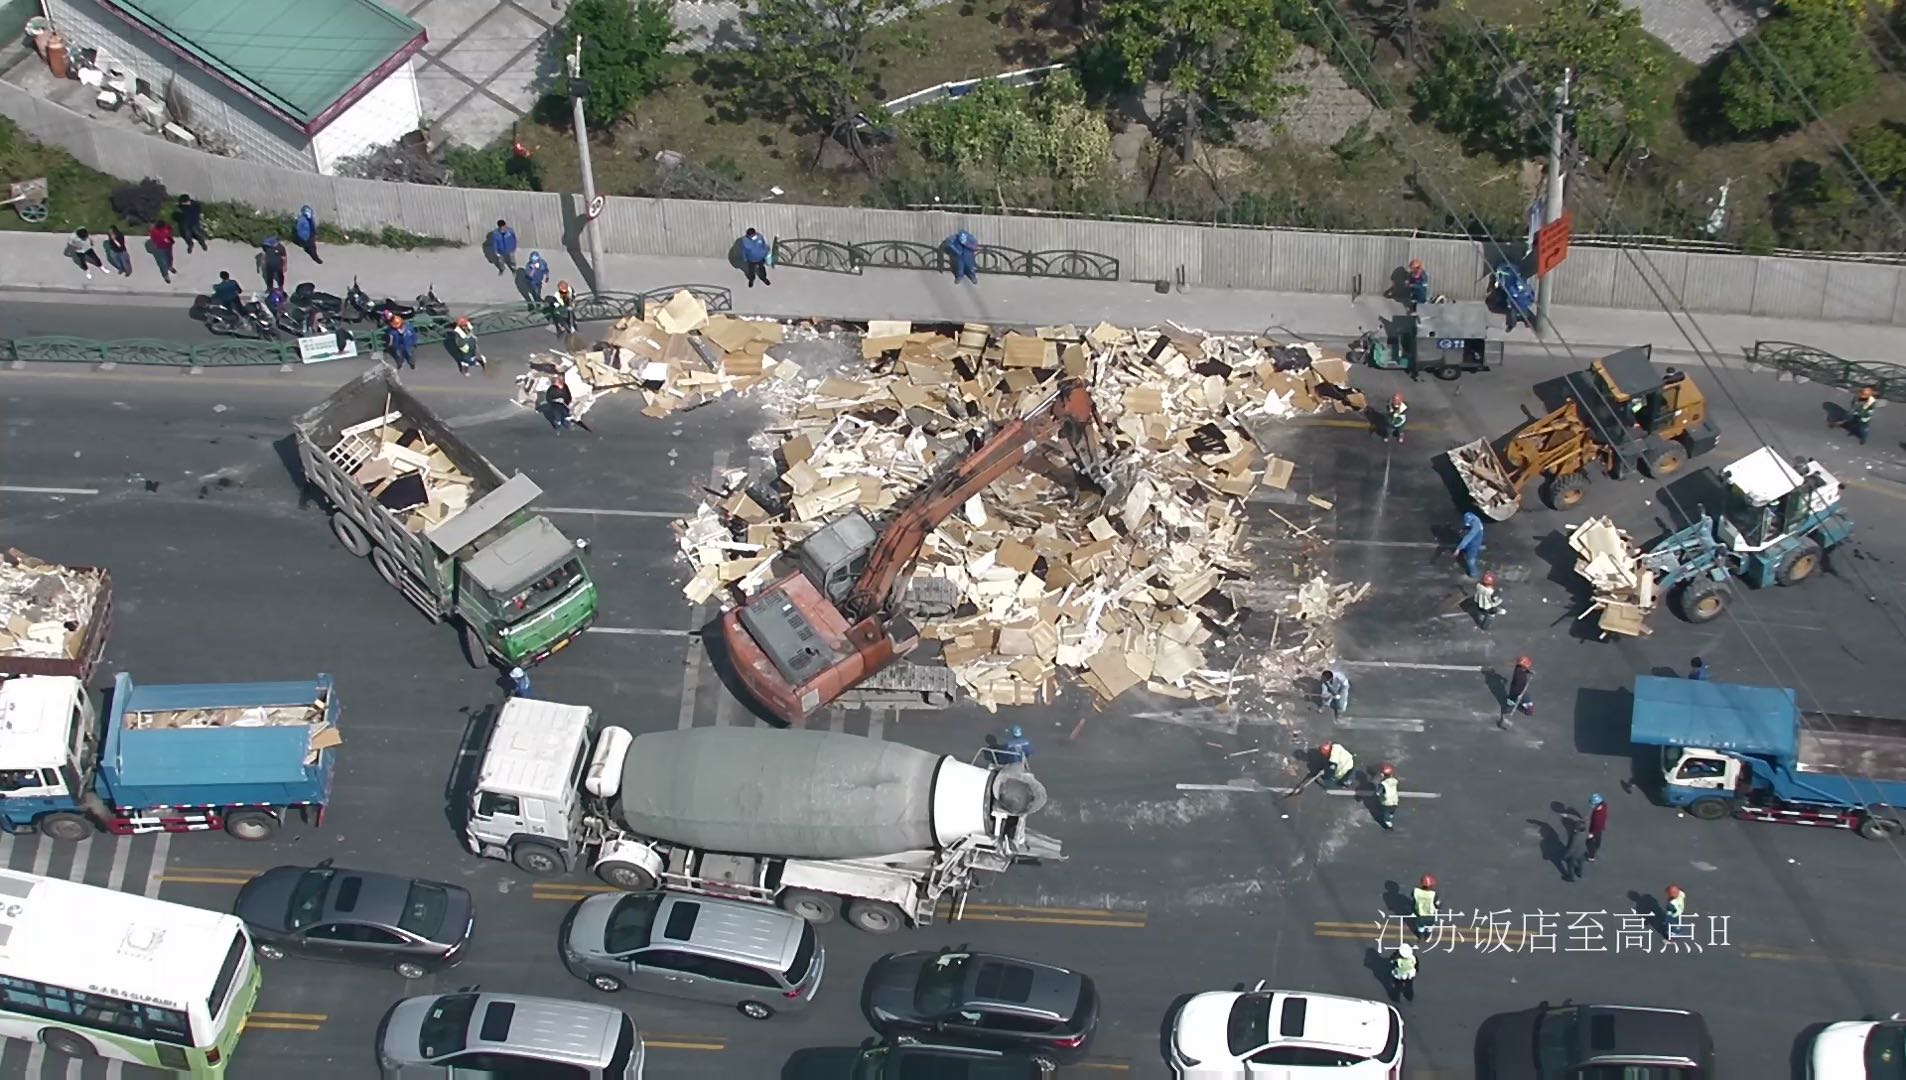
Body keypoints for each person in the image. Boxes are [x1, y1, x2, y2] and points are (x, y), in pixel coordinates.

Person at [1501, 655, 1534, 727]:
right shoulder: (1519, 674)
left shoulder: (1519, 668)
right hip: (1520, 692)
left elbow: (1524, 670)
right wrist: (1520, 695)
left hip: (1515, 691)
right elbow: (1518, 685)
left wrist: (1529, 672)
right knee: (1529, 711)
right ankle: (1517, 707)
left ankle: (1512, 707)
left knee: (1510, 704)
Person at [1455, 511, 1485, 578]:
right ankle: (1467, 552)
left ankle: (1473, 573)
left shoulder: (1475, 528)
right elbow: (1468, 525)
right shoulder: (1475, 519)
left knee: (1470, 559)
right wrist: (1463, 528)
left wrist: (1458, 548)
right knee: (1467, 551)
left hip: (1474, 543)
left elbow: (1468, 537)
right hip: (1474, 540)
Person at [1561, 816, 1587, 881]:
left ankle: (1571, 877)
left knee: (1570, 865)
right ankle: (1579, 873)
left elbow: (1572, 848)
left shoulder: (1575, 837)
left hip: (1574, 854)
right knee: (1580, 863)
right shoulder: (1585, 834)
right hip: (1582, 852)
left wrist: (1566, 855)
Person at [1377, 763, 1400, 830]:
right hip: (1395, 801)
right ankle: (1391, 815)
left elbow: (1378, 793)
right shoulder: (1395, 780)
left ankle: (1388, 824)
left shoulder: (1383, 784)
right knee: (1391, 811)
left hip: (1387, 802)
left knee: (1386, 813)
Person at [1585, 793, 1608, 861]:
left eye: (1592, 804)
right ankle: (1597, 846)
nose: (1591, 806)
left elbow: (1594, 826)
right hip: (1600, 827)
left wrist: (1591, 833)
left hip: (1596, 829)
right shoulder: (1604, 806)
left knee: (1589, 842)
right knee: (1598, 838)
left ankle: (1591, 856)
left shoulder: (1597, 816)